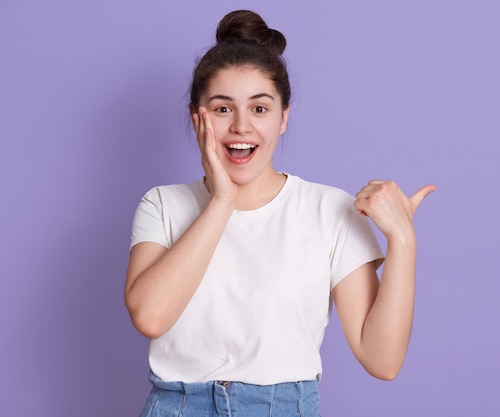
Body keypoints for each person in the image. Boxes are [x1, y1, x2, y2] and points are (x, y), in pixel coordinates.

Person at [125, 9, 435, 417]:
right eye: (222, 109)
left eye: (259, 108)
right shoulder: (162, 204)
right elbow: (150, 317)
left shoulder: (329, 209)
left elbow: (382, 360)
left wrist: (403, 241)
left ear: (283, 117)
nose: (240, 126)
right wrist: (221, 200)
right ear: (197, 118)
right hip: (176, 406)